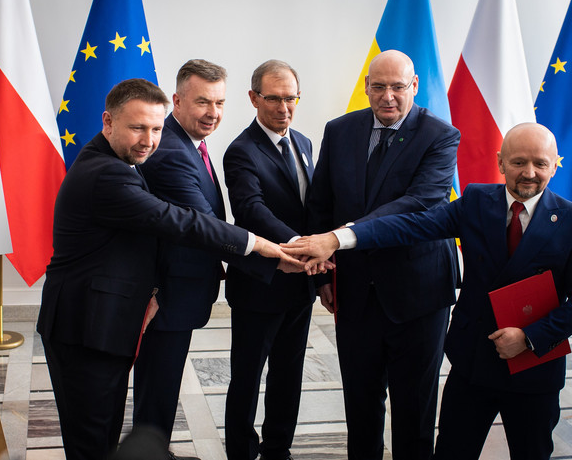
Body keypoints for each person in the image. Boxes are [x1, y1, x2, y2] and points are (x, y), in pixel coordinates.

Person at [36, 78, 299, 460]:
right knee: (91, 442)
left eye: (156, 129)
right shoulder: (106, 173)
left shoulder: (118, 161)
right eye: (137, 128)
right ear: (108, 122)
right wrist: (261, 245)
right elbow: (180, 221)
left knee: (104, 433)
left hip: (102, 321)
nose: (149, 140)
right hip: (84, 324)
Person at [282, 122, 572, 460]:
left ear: (555, 165)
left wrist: (529, 337)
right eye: (519, 162)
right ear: (500, 162)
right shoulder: (477, 201)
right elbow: (412, 225)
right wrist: (337, 239)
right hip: (472, 366)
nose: (529, 173)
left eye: (540, 163)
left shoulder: (567, 220)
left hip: (534, 371)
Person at [306, 50, 460, 459]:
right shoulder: (339, 130)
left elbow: (419, 204)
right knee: (360, 404)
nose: (387, 96)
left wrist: (342, 237)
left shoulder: (441, 135)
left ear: (414, 86)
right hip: (355, 291)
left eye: (397, 87)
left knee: (414, 408)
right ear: (367, 86)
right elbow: (321, 203)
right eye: (378, 87)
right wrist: (322, 277)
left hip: (418, 293)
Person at [135, 60, 277, 458]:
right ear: (177, 101)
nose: (212, 112)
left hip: (179, 290)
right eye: (202, 102)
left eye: (219, 102)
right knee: (157, 389)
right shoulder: (172, 152)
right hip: (166, 294)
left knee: (160, 388)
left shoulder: (190, 144)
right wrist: (273, 257)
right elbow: (206, 227)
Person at [222, 59, 316, 460]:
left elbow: (312, 208)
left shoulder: (304, 143)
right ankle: (241, 453)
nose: (283, 108)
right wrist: (296, 244)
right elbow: (251, 209)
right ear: (253, 98)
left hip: (301, 283)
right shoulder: (241, 150)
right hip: (260, 284)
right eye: (274, 98)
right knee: (247, 377)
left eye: (291, 98)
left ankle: (278, 449)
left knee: (288, 374)